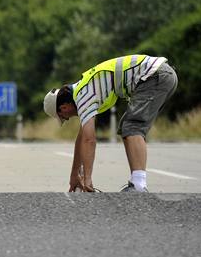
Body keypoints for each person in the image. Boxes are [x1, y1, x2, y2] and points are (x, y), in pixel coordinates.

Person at [43, 55, 178, 192]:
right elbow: (82, 138)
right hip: (160, 75)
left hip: (155, 76)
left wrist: (88, 179)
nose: (67, 119)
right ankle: (137, 183)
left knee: (132, 127)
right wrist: (74, 176)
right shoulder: (84, 89)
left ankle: (138, 185)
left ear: (64, 108)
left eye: (64, 117)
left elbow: (89, 140)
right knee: (127, 126)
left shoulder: (83, 95)